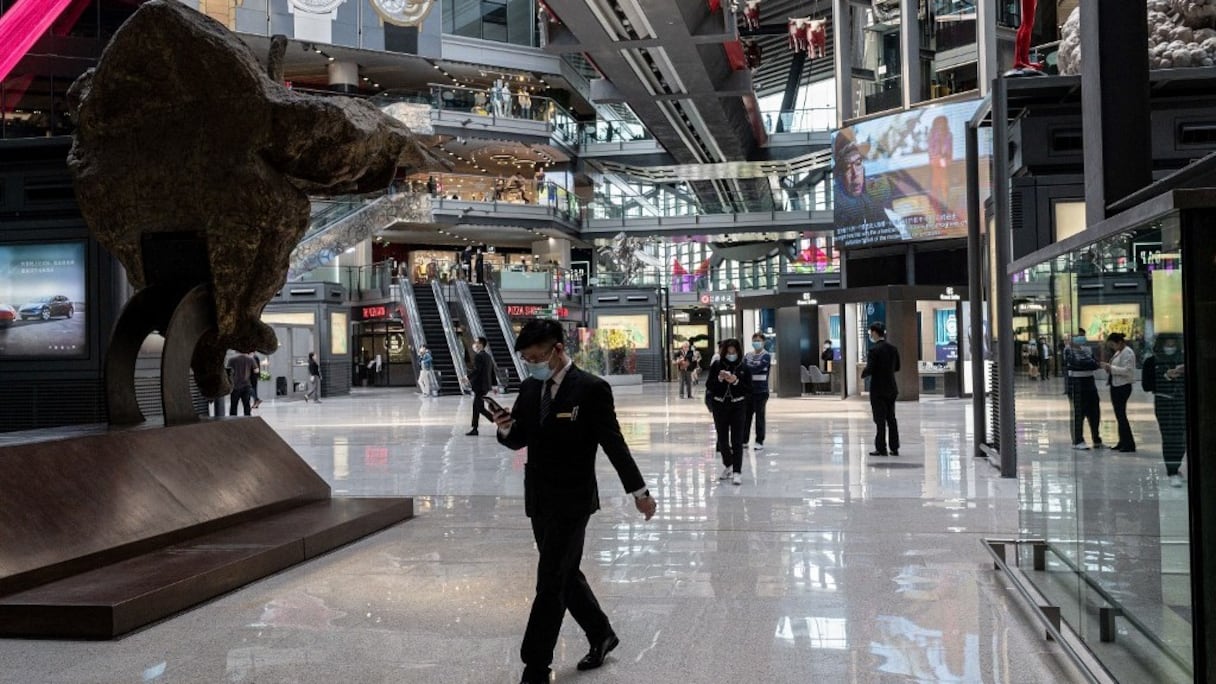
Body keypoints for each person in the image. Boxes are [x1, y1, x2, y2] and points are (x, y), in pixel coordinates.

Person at [491, 319, 656, 684]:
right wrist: (504, 426)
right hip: (538, 497)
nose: (531, 364)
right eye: (527, 359)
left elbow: (615, 445)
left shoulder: (592, 389)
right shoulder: (532, 388)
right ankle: (601, 634)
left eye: (536, 357)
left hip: (573, 500)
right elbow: (519, 439)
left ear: (558, 350)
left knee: (550, 580)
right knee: (564, 574)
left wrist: (640, 494)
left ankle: (535, 666)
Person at [1143, 334, 1187, 487]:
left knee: (1182, 437)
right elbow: (1146, 385)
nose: (1170, 346)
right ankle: (1172, 470)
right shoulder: (1151, 361)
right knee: (1169, 437)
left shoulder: (1184, 359)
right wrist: (1166, 376)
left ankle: (1176, 465)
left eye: (1173, 343)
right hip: (1163, 402)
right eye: (1167, 343)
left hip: (1181, 402)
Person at [706, 339, 752, 485]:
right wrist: (720, 379)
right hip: (720, 406)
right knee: (723, 440)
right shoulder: (717, 365)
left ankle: (737, 471)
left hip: (738, 406)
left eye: (734, 352)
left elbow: (748, 389)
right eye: (728, 352)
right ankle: (729, 465)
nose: (731, 355)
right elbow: (709, 385)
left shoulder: (744, 367)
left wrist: (736, 381)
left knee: (737, 440)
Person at [833, 133, 889, 229]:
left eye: (858, 163)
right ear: (839, 173)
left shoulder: (870, 200)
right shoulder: (837, 205)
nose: (855, 174)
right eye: (847, 167)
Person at [861, 322, 900, 456]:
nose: (870, 335)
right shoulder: (893, 349)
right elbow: (897, 367)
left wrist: (863, 373)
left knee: (879, 419)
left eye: (871, 332)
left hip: (878, 389)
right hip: (891, 388)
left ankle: (881, 447)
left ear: (874, 332)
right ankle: (894, 447)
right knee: (891, 418)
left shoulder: (874, 350)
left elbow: (870, 369)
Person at [1063, 330, 1102, 449]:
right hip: (1076, 384)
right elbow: (1078, 363)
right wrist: (1090, 363)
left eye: (1082, 336)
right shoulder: (1068, 350)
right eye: (1078, 336)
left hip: (1090, 383)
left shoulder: (1087, 349)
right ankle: (1078, 440)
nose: (1081, 338)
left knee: (1094, 412)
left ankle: (1096, 439)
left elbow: (1095, 364)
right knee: (1079, 413)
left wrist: (1090, 363)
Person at [1101, 332, 1136, 452]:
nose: (1112, 347)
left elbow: (1128, 370)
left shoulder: (1128, 352)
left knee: (1121, 416)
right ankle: (1122, 441)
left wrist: (1111, 368)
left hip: (1123, 386)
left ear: (1120, 342)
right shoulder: (1119, 352)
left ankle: (1129, 444)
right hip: (1115, 385)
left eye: (1112, 344)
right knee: (1119, 416)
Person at [743, 332, 771, 450]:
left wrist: (748, 368)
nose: (756, 343)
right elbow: (743, 368)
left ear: (763, 342)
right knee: (746, 417)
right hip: (748, 391)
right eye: (754, 340)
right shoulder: (748, 355)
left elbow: (757, 369)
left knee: (759, 417)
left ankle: (759, 440)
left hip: (761, 391)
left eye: (759, 340)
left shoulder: (766, 356)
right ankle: (744, 440)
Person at [467, 336, 497, 435]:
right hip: (485, 386)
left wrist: (467, 377)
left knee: (478, 407)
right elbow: (492, 372)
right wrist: (494, 385)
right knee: (478, 407)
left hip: (479, 386)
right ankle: (475, 428)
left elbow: (477, 370)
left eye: (476, 342)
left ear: (480, 344)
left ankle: (496, 419)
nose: (474, 345)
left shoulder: (479, 356)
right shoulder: (488, 356)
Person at [225, 351, 258, 416]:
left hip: (235, 386)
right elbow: (256, 370)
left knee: (233, 405)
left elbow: (228, 371)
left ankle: (233, 421)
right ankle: (247, 419)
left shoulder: (232, 359)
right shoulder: (250, 359)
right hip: (246, 385)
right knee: (246, 405)